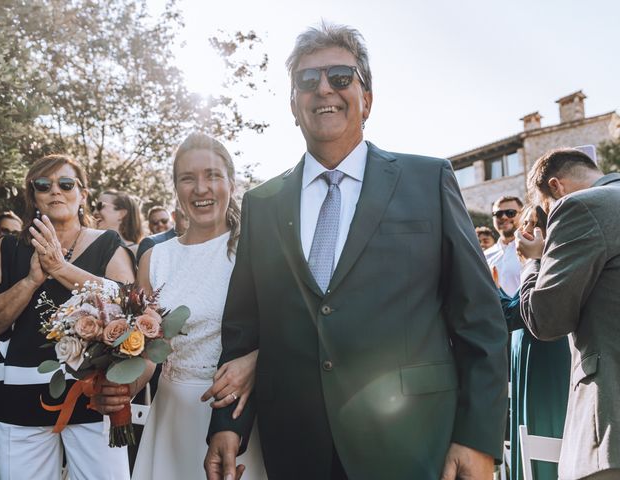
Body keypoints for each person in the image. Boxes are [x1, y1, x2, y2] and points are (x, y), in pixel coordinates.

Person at [205, 23, 508, 480]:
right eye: (308, 81)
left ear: (367, 98)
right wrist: (227, 426)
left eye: (341, 77)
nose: (323, 88)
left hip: (413, 440)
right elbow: (246, 331)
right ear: (293, 105)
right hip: (296, 443)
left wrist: (477, 437)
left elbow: (479, 321)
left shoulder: (428, 180)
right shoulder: (262, 203)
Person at [96, 133, 266, 480]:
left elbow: (285, 325)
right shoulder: (155, 258)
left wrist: (258, 359)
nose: (201, 188)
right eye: (188, 178)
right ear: (176, 188)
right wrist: (120, 387)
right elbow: (147, 354)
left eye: (212, 176)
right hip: (172, 413)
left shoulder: (255, 247)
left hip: (238, 414)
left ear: (231, 183)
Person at [0, 154, 135, 480]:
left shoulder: (108, 245)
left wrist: (60, 269)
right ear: (32, 195)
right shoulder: (7, 249)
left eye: (66, 184)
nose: (56, 191)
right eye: (43, 185)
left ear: (83, 194)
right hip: (18, 398)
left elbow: (128, 304)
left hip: (94, 396)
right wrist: (31, 280)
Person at [517, 148, 620, 480]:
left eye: (546, 210)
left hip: (611, 426)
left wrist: (534, 263)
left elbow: (545, 320)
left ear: (556, 187)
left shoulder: (580, 206)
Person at [499, 204, 570, 480]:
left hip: (544, 361)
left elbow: (515, 314)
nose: (523, 230)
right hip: (527, 360)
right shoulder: (534, 269)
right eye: (523, 223)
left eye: (531, 223)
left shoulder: (546, 269)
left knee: (543, 431)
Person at [484, 196, 523, 297]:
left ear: (522, 215)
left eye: (510, 213)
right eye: (498, 214)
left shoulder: (533, 251)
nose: (504, 217)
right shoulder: (484, 256)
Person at [94, 190, 144, 256]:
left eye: (100, 206)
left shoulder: (138, 252)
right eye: (93, 208)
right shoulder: (95, 249)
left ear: (121, 214)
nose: (94, 213)